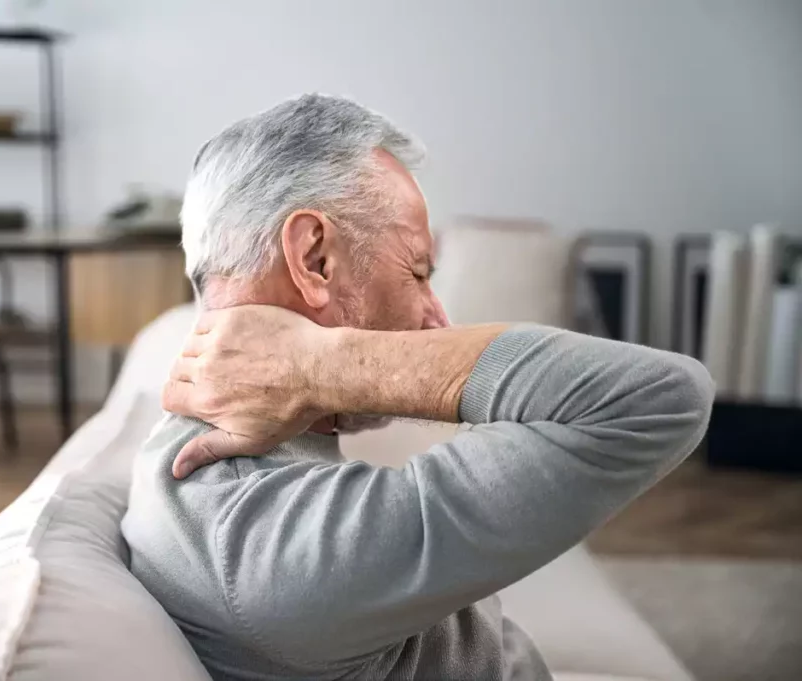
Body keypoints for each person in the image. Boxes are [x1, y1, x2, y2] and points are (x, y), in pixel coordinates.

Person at [121, 94, 714, 681]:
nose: (438, 322)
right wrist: (313, 363)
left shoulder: (227, 479)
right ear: (315, 260)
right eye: (418, 272)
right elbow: (661, 397)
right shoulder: (266, 546)